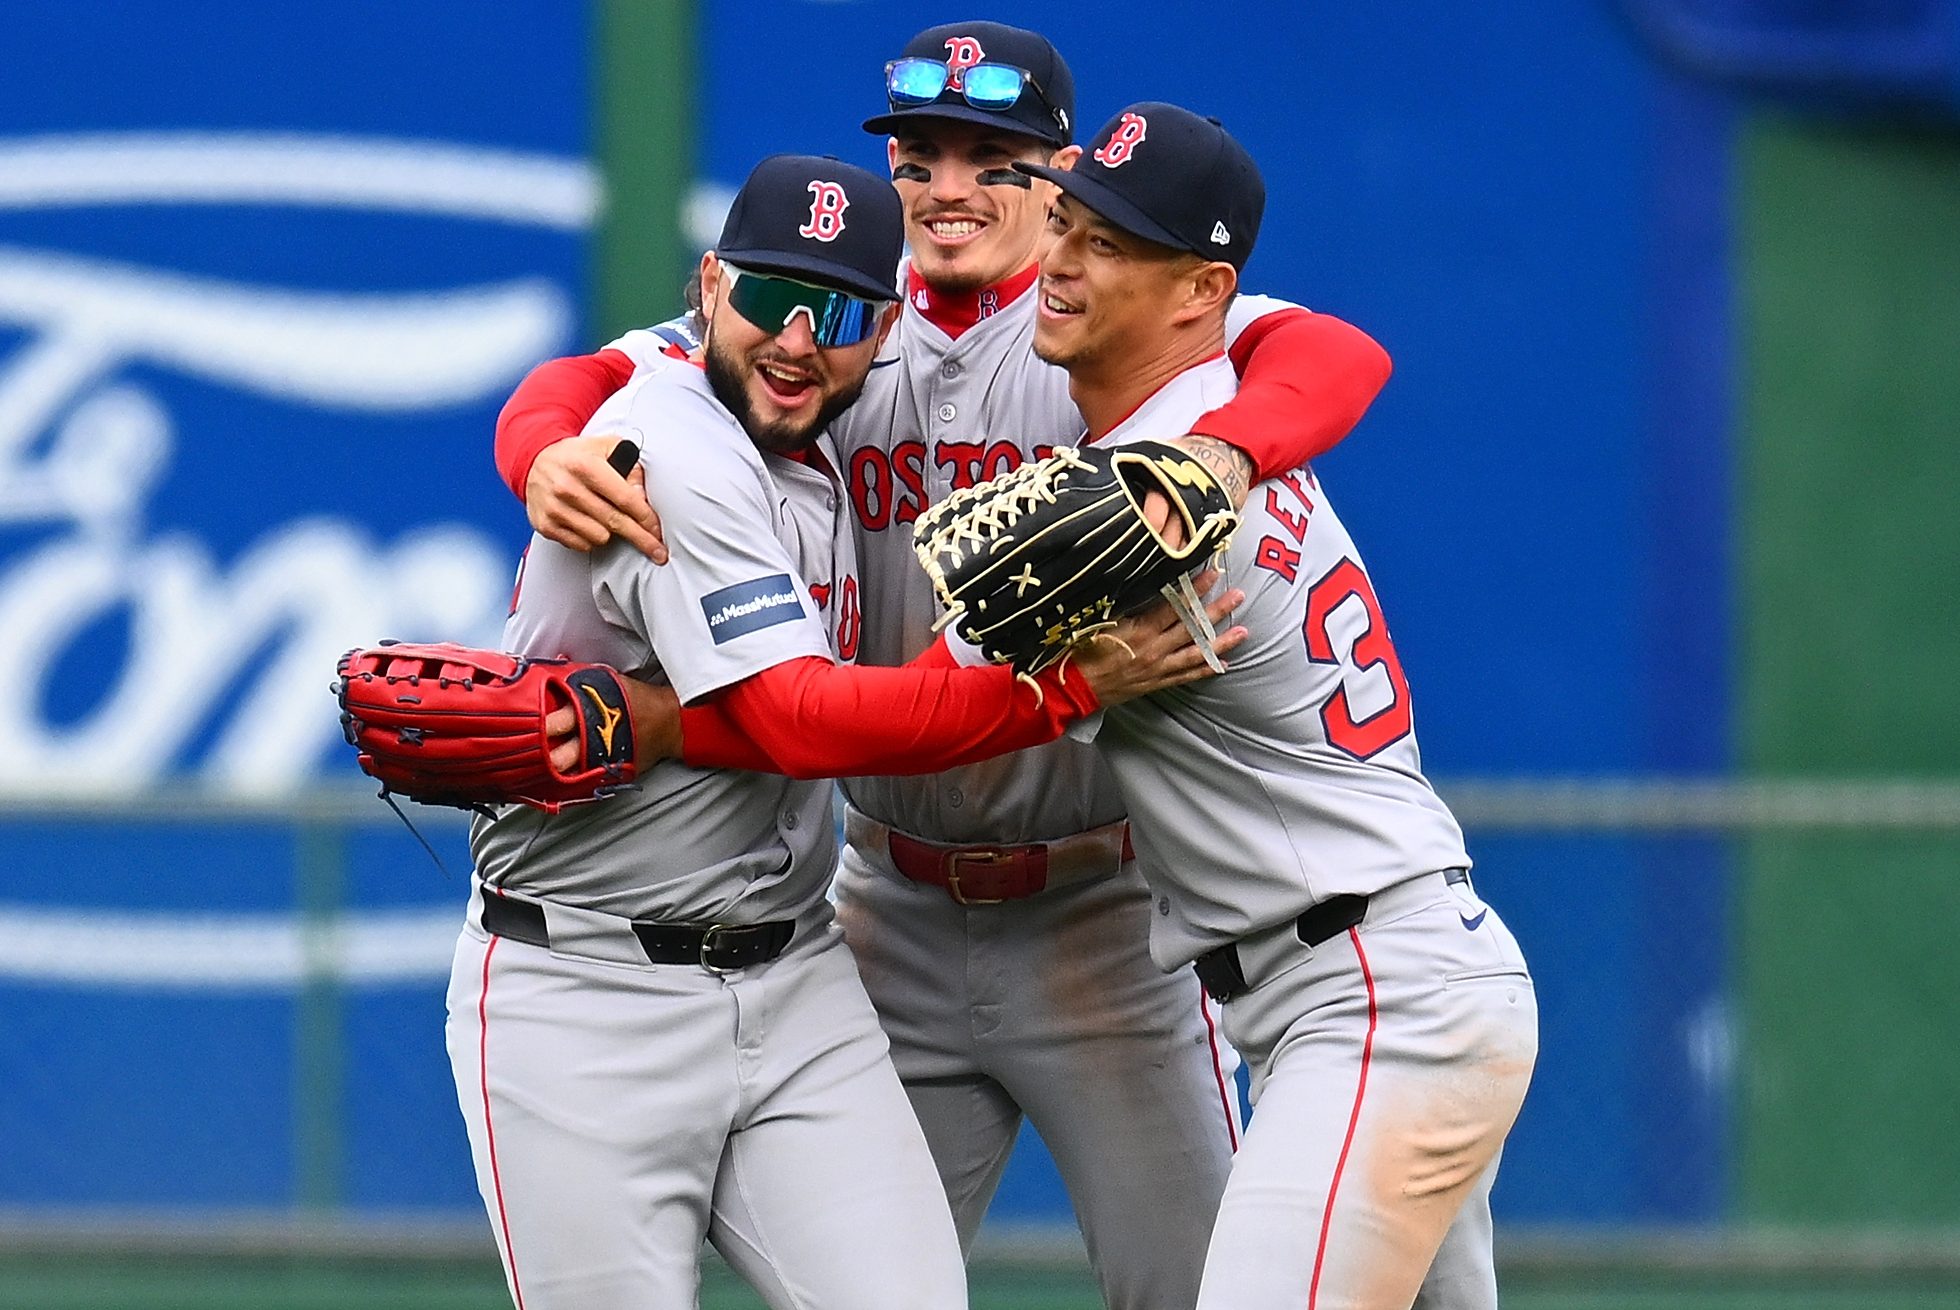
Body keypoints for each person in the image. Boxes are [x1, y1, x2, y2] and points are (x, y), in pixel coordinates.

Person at [493, 23, 1392, 1310]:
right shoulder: (837, 317)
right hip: (883, 906)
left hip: (1099, 914)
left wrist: (1223, 454)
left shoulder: (1098, 321)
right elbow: (594, 377)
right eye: (921, 156)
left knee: (1205, 1291)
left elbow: (1334, 354)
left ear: (1061, 176)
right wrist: (536, 450)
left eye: (994, 159)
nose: (949, 187)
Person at [1007, 102, 1540, 1309]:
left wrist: (668, 723)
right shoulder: (1222, 409)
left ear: (1201, 291)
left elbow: (939, 710)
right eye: (1066, 221)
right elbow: (1325, 349)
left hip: (1371, 1000)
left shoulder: (1133, 505)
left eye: (1108, 245)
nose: (1060, 259)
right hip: (1396, 977)